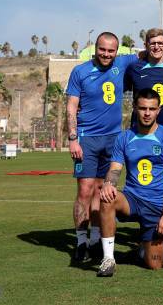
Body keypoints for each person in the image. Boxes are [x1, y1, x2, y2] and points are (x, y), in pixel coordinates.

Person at [66, 32, 139, 263]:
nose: (106, 54)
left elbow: (150, 52)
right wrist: (73, 139)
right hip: (87, 138)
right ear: (95, 48)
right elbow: (71, 106)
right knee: (85, 191)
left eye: (111, 51)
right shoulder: (80, 71)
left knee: (103, 191)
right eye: (102, 49)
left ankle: (96, 240)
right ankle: (80, 242)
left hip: (113, 139)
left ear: (117, 51)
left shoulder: (122, 63)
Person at [97, 88, 163, 277]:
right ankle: (108, 258)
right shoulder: (124, 137)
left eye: (151, 109)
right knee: (106, 198)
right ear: (135, 108)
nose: (147, 113)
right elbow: (115, 169)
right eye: (143, 108)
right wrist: (108, 184)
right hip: (132, 199)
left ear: (158, 110)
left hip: (157, 205)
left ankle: (143, 247)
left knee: (154, 264)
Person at [124, 28, 163, 135]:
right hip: (140, 132)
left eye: (160, 43)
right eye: (153, 43)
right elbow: (123, 88)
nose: (156, 47)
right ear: (145, 45)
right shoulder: (134, 68)